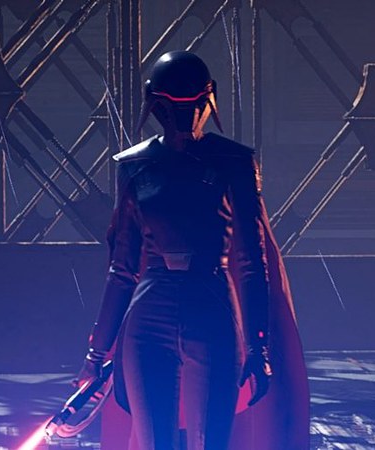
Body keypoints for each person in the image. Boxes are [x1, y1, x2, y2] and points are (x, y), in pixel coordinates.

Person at [74, 51, 309, 450]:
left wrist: (259, 345)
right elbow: (123, 268)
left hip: (212, 304)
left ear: (207, 102)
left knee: (211, 439)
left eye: (194, 104)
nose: (186, 117)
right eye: (174, 105)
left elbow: (252, 262)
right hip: (155, 309)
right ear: (156, 106)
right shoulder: (134, 165)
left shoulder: (235, 162)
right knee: (156, 442)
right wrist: (96, 354)